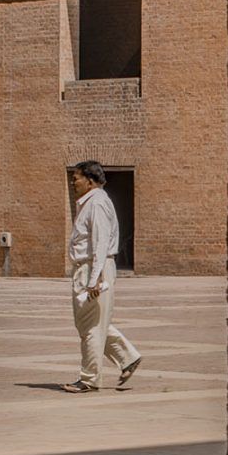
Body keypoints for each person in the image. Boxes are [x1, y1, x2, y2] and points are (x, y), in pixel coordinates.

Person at [62, 160, 142, 393]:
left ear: (89, 180)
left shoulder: (96, 203)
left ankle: (89, 379)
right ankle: (127, 357)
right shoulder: (90, 203)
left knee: (91, 328)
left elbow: (100, 243)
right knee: (91, 323)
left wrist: (95, 278)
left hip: (93, 268)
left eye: (76, 177)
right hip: (87, 268)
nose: (73, 181)